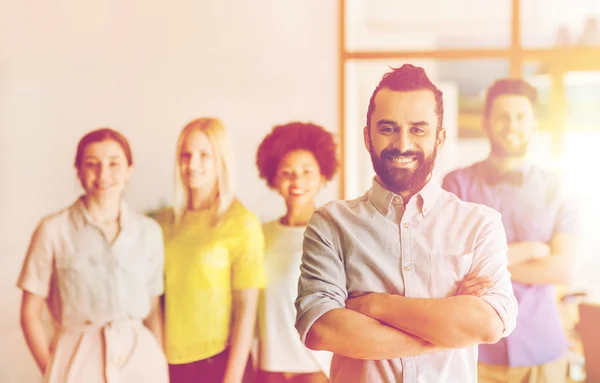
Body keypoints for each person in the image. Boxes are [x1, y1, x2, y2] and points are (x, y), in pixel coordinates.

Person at [294, 64, 519, 382]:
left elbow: (487, 325)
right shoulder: (330, 224)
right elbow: (322, 329)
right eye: (388, 128)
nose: (402, 143)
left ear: (439, 138)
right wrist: (444, 331)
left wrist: (374, 306)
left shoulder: (480, 225)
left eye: (418, 129)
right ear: (367, 136)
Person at [442, 78, 579, 382]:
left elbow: (563, 270)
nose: (512, 124)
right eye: (503, 116)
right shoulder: (455, 185)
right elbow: (453, 264)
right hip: (474, 348)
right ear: (486, 122)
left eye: (521, 116)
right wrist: (531, 251)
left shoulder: (557, 188)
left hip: (542, 348)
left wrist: (485, 264)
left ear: (533, 123)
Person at [18, 128, 168, 383]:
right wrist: (52, 368)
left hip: (139, 357)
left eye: (114, 164)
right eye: (92, 164)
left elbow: (153, 308)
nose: (103, 175)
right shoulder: (53, 230)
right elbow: (29, 313)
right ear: (78, 170)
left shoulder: (149, 232)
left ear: (129, 170)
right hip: (78, 354)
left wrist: (159, 362)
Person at [157, 117, 265, 383]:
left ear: (221, 160)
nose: (192, 164)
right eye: (186, 154)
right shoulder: (164, 223)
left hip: (221, 363)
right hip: (168, 363)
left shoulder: (242, 222)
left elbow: (246, 310)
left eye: (204, 155)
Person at [255, 122, 337, 383]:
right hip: (268, 365)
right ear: (274, 179)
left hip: (314, 365)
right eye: (287, 173)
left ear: (322, 176)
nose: (297, 181)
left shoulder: (334, 233)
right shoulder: (259, 233)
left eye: (306, 172)